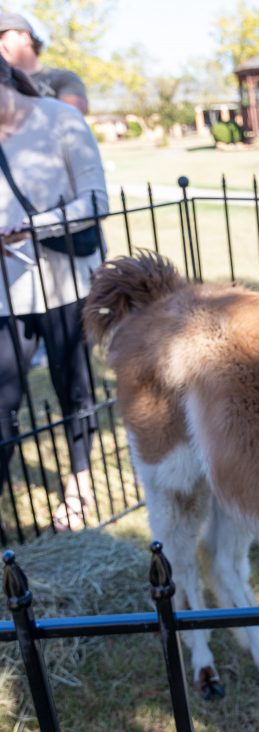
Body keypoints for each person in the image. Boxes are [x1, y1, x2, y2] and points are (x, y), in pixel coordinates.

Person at [0, 54, 108, 531]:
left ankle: (79, 484)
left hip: (64, 284)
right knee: (2, 399)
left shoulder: (59, 120)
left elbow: (96, 200)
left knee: (75, 390)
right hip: (6, 291)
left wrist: (33, 227)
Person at [0, 12, 89, 114]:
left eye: (2, 37)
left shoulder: (63, 78)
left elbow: (71, 118)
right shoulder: (2, 85)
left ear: (25, 38)